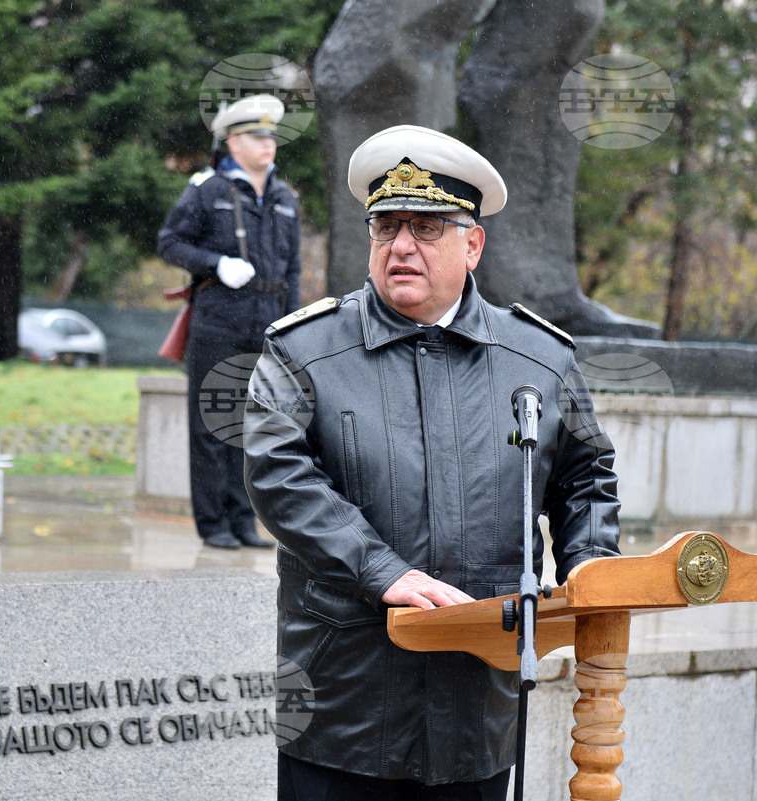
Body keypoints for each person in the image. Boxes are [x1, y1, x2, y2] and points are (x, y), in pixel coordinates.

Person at [244, 125, 621, 800]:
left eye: (425, 227)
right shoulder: (302, 351)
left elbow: (585, 476)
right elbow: (279, 475)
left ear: (472, 244)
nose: (402, 246)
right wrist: (384, 571)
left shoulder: (541, 358)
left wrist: (589, 569)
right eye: (386, 227)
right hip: (343, 707)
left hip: (478, 706)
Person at [157, 94, 302, 550]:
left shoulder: (283, 196)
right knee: (211, 424)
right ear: (234, 142)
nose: (268, 144)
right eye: (257, 136)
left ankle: (243, 520)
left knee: (250, 427)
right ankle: (212, 523)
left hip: (265, 324)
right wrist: (215, 263)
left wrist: (291, 327)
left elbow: (293, 269)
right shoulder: (208, 189)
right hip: (218, 322)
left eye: (271, 136)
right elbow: (170, 242)